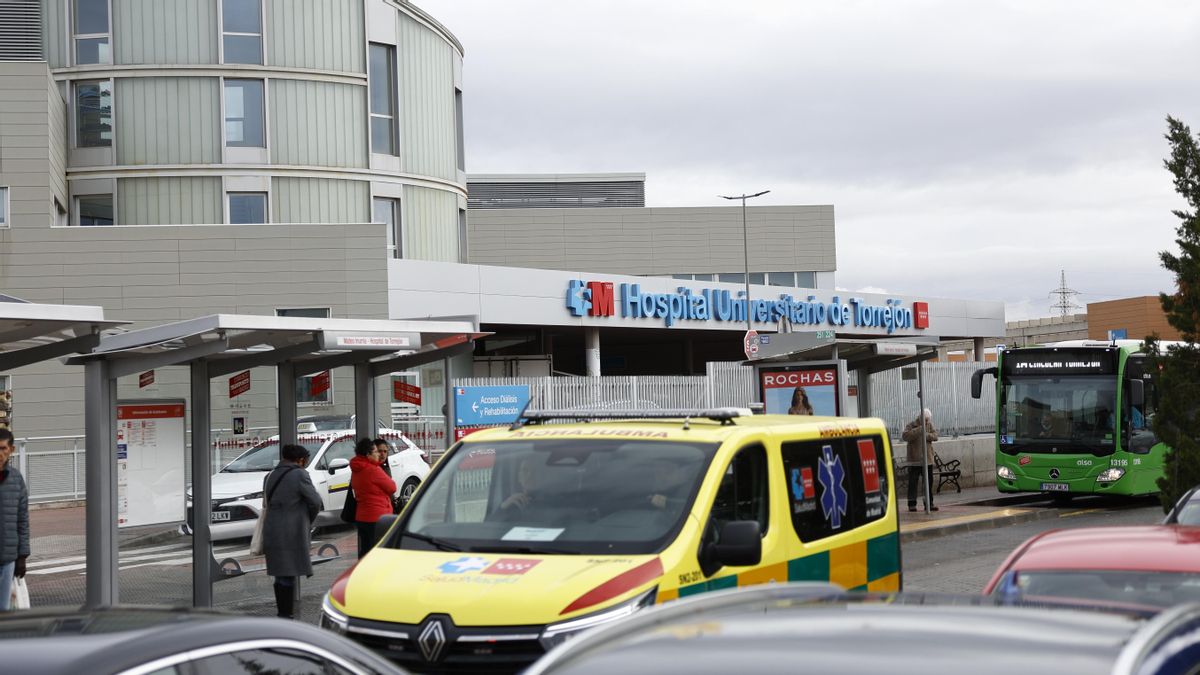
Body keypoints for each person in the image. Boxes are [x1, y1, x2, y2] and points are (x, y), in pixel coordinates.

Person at [263, 443, 322, 619]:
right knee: (287, 573)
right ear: (301, 460)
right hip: (291, 532)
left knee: (280, 573)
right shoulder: (300, 474)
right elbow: (315, 502)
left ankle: (283, 612)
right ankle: (285, 614)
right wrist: (306, 520)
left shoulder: (270, 475)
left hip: (272, 528)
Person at [351, 438, 396, 558]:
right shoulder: (373, 470)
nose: (379, 455)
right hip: (377, 517)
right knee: (378, 552)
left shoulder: (356, 469)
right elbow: (392, 487)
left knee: (366, 550)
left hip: (362, 517)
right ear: (368, 454)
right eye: (376, 452)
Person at [0, 430, 29, 611]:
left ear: (11, 449)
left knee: (3, 610)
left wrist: (22, 557)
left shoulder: (16, 479)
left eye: (3, 448)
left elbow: (22, 520)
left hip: (8, 558)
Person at [902, 409, 939, 512]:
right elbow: (905, 436)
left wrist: (926, 435)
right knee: (913, 482)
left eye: (928, 419)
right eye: (926, 419)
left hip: (928, 460)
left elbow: (935, 436)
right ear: (920, 417)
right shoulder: (911, 425)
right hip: (914, 460)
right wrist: (919, 430)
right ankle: (912, 504)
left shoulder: (930, 425)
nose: (927, 421)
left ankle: (929, 504)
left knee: (928, 483)